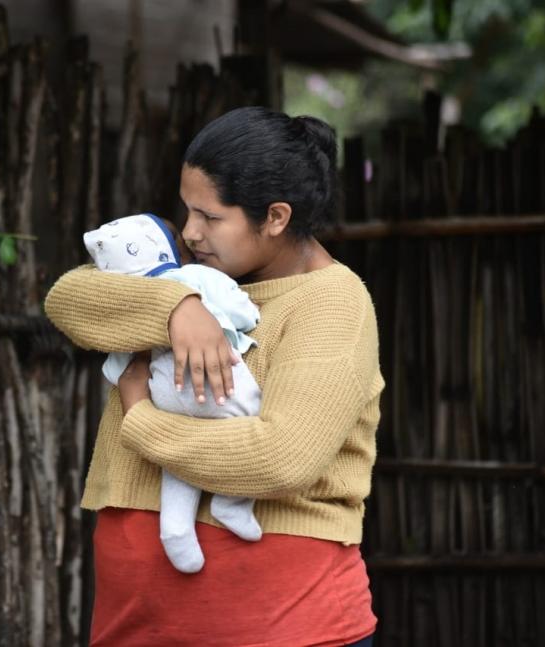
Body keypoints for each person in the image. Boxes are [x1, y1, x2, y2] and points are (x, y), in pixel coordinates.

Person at [44, 106, 382, 647]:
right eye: (187, 210)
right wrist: (177, 306)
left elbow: (280, 457)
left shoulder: (333, 304)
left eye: (210, 216)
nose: (190, 231)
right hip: (137, 622)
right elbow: (69, 299)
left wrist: (142, 421)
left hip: (282, 627)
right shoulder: (186, 273)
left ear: (275, 217)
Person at [83, 212, 264, 574]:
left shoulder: (131, 306)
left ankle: (176, 528)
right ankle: (232, 501)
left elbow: (119, 366)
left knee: (175, 458)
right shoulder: (194, 279)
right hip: (212, 384)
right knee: (246, 413)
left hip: (158, 390)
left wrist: (132, 393)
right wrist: (249, 317)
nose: (192, 235)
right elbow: (239, 308)